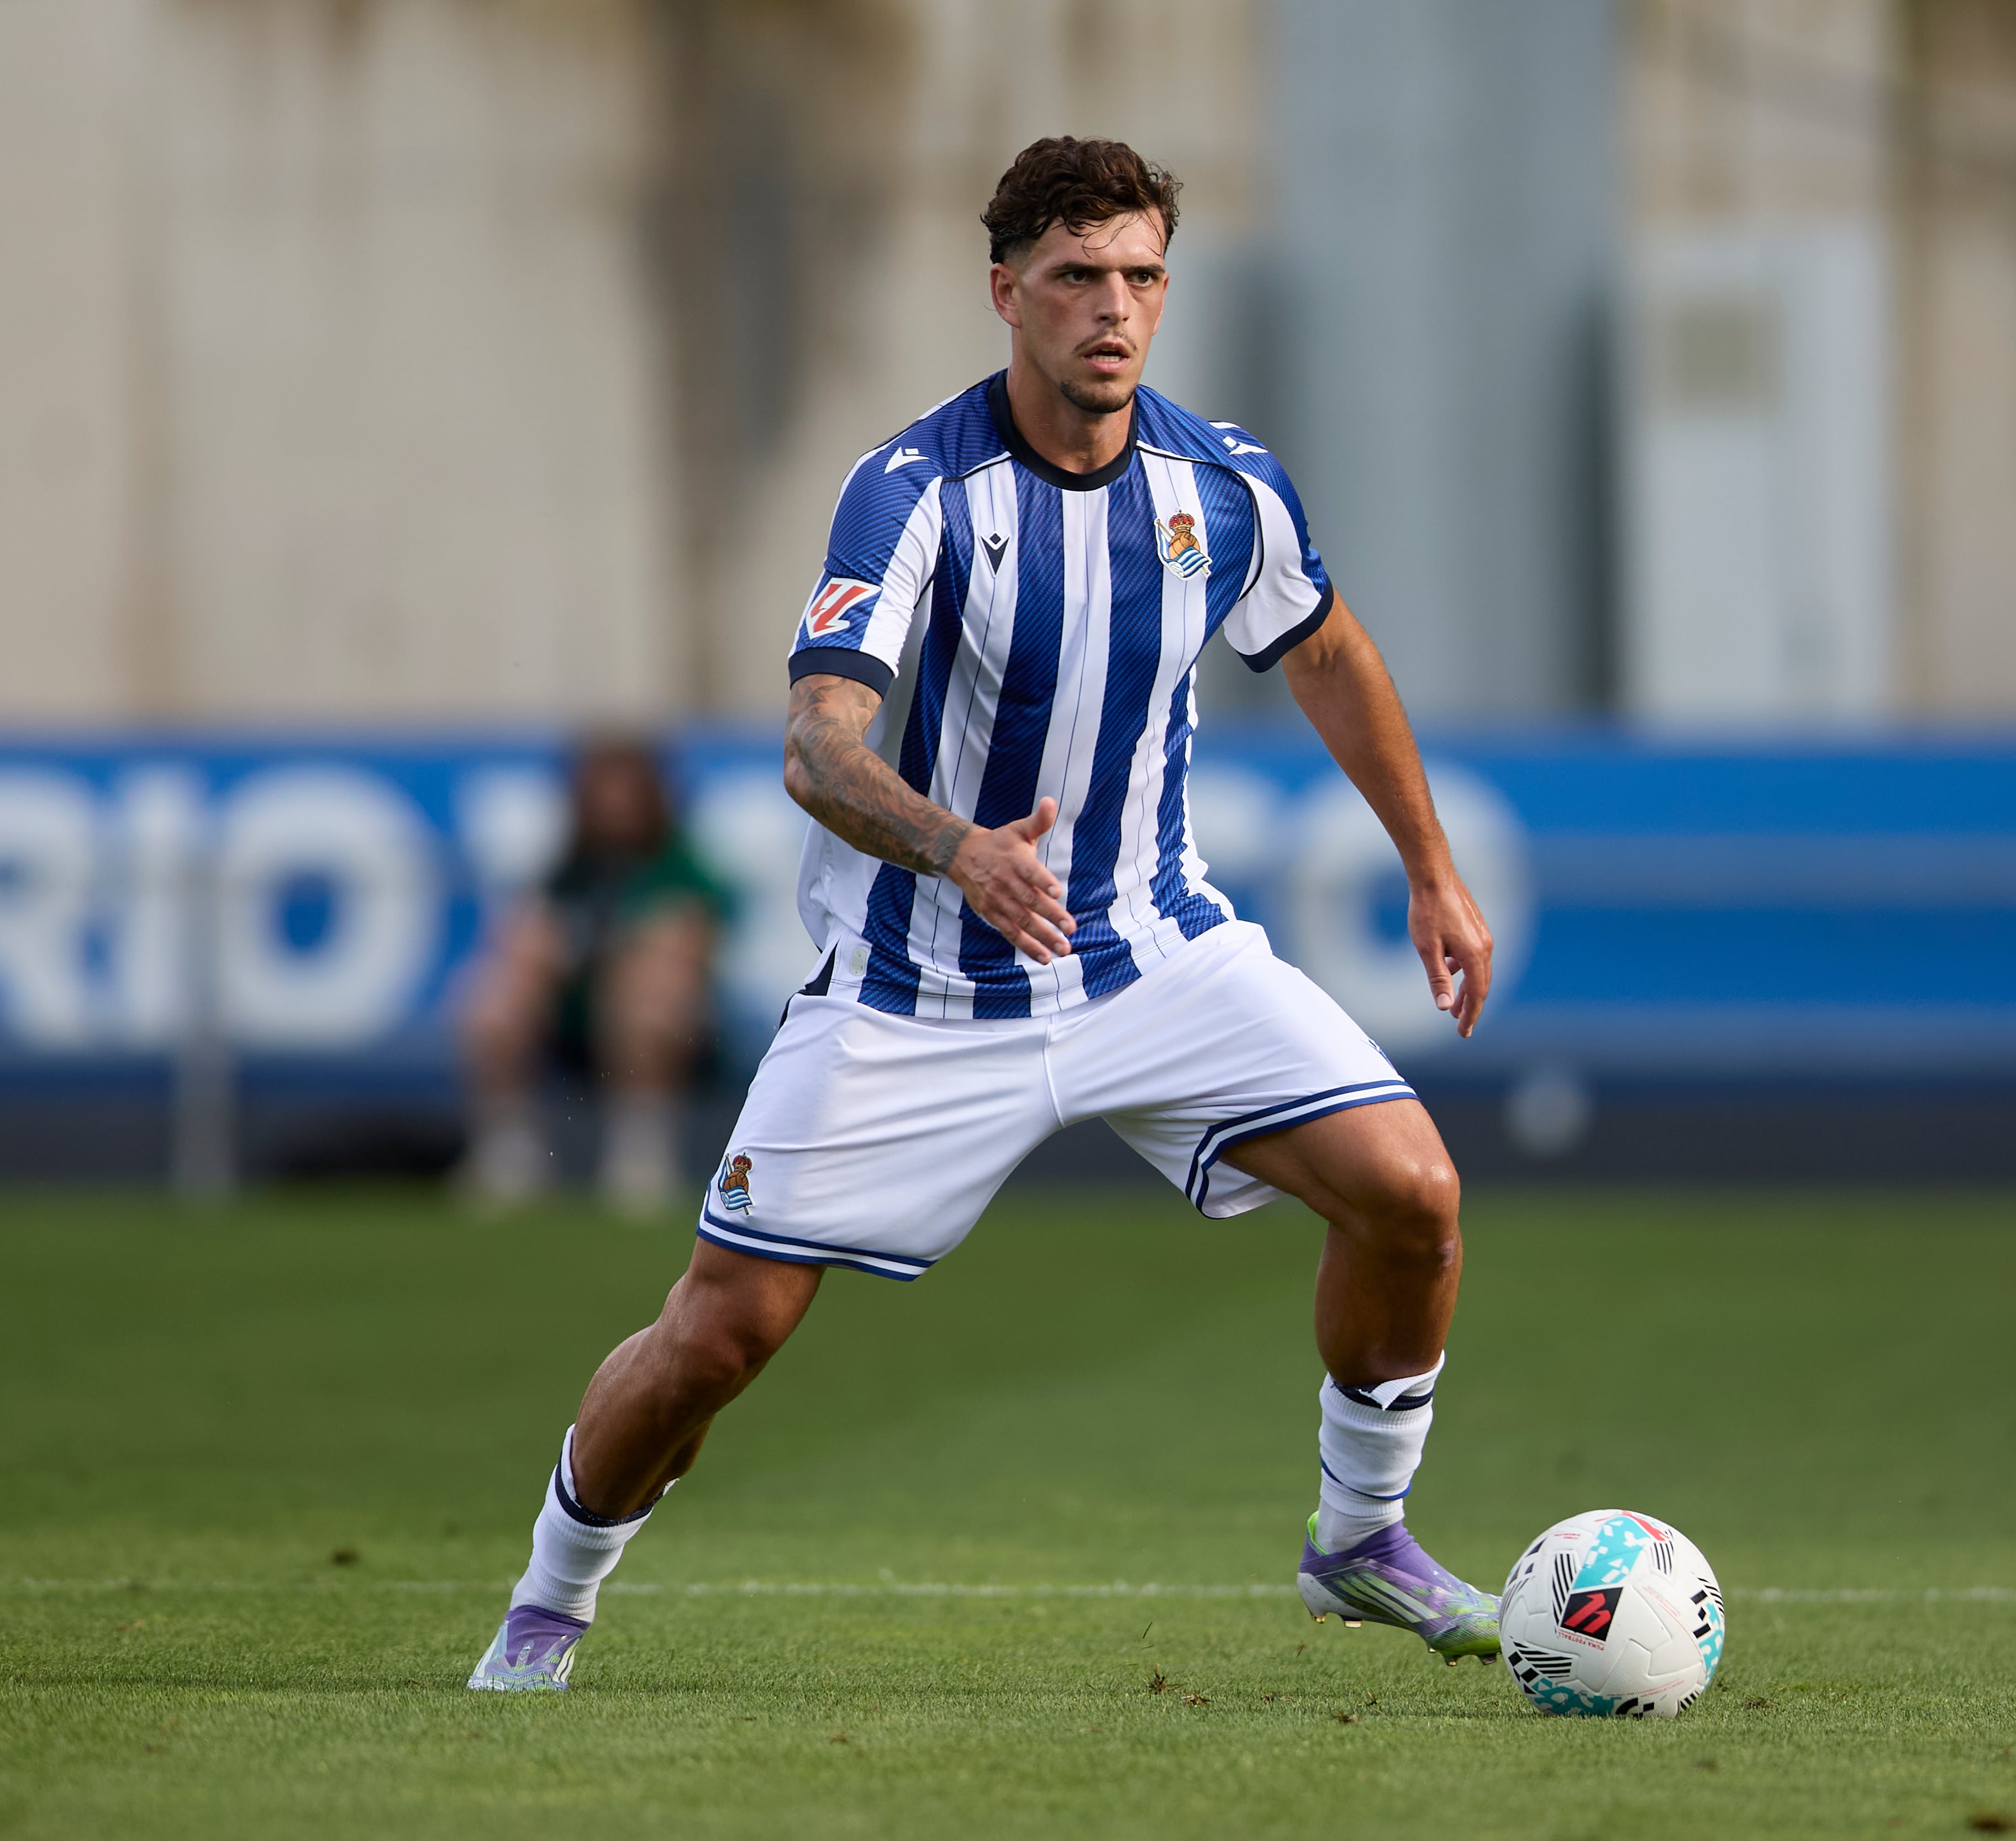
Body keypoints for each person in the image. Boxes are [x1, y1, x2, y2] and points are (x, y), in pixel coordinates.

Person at [469, 138, 1501, 1691]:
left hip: (1152, 953)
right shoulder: (914, 493)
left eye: (1143, 276)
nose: (1115, 310)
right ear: (1005, 289)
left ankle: (1358, 1536)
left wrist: (1429, 862)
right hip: (915, 991)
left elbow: (1330, 650)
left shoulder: (1220, 484)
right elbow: (820, 742)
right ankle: (552, 1595)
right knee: (717, 1337)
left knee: (1414, 1192)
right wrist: (960, 849)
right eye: (1079, 277)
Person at [457, 737, 731, 1212]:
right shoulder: (567, 869)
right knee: (493, 997)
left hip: (666, 1036)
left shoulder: (681, 867)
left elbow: (689, 944)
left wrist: (595, 947)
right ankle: (509, 1151)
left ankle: (641, 1154)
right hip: (570, 1019)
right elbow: (525, 932)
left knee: (646, 993)